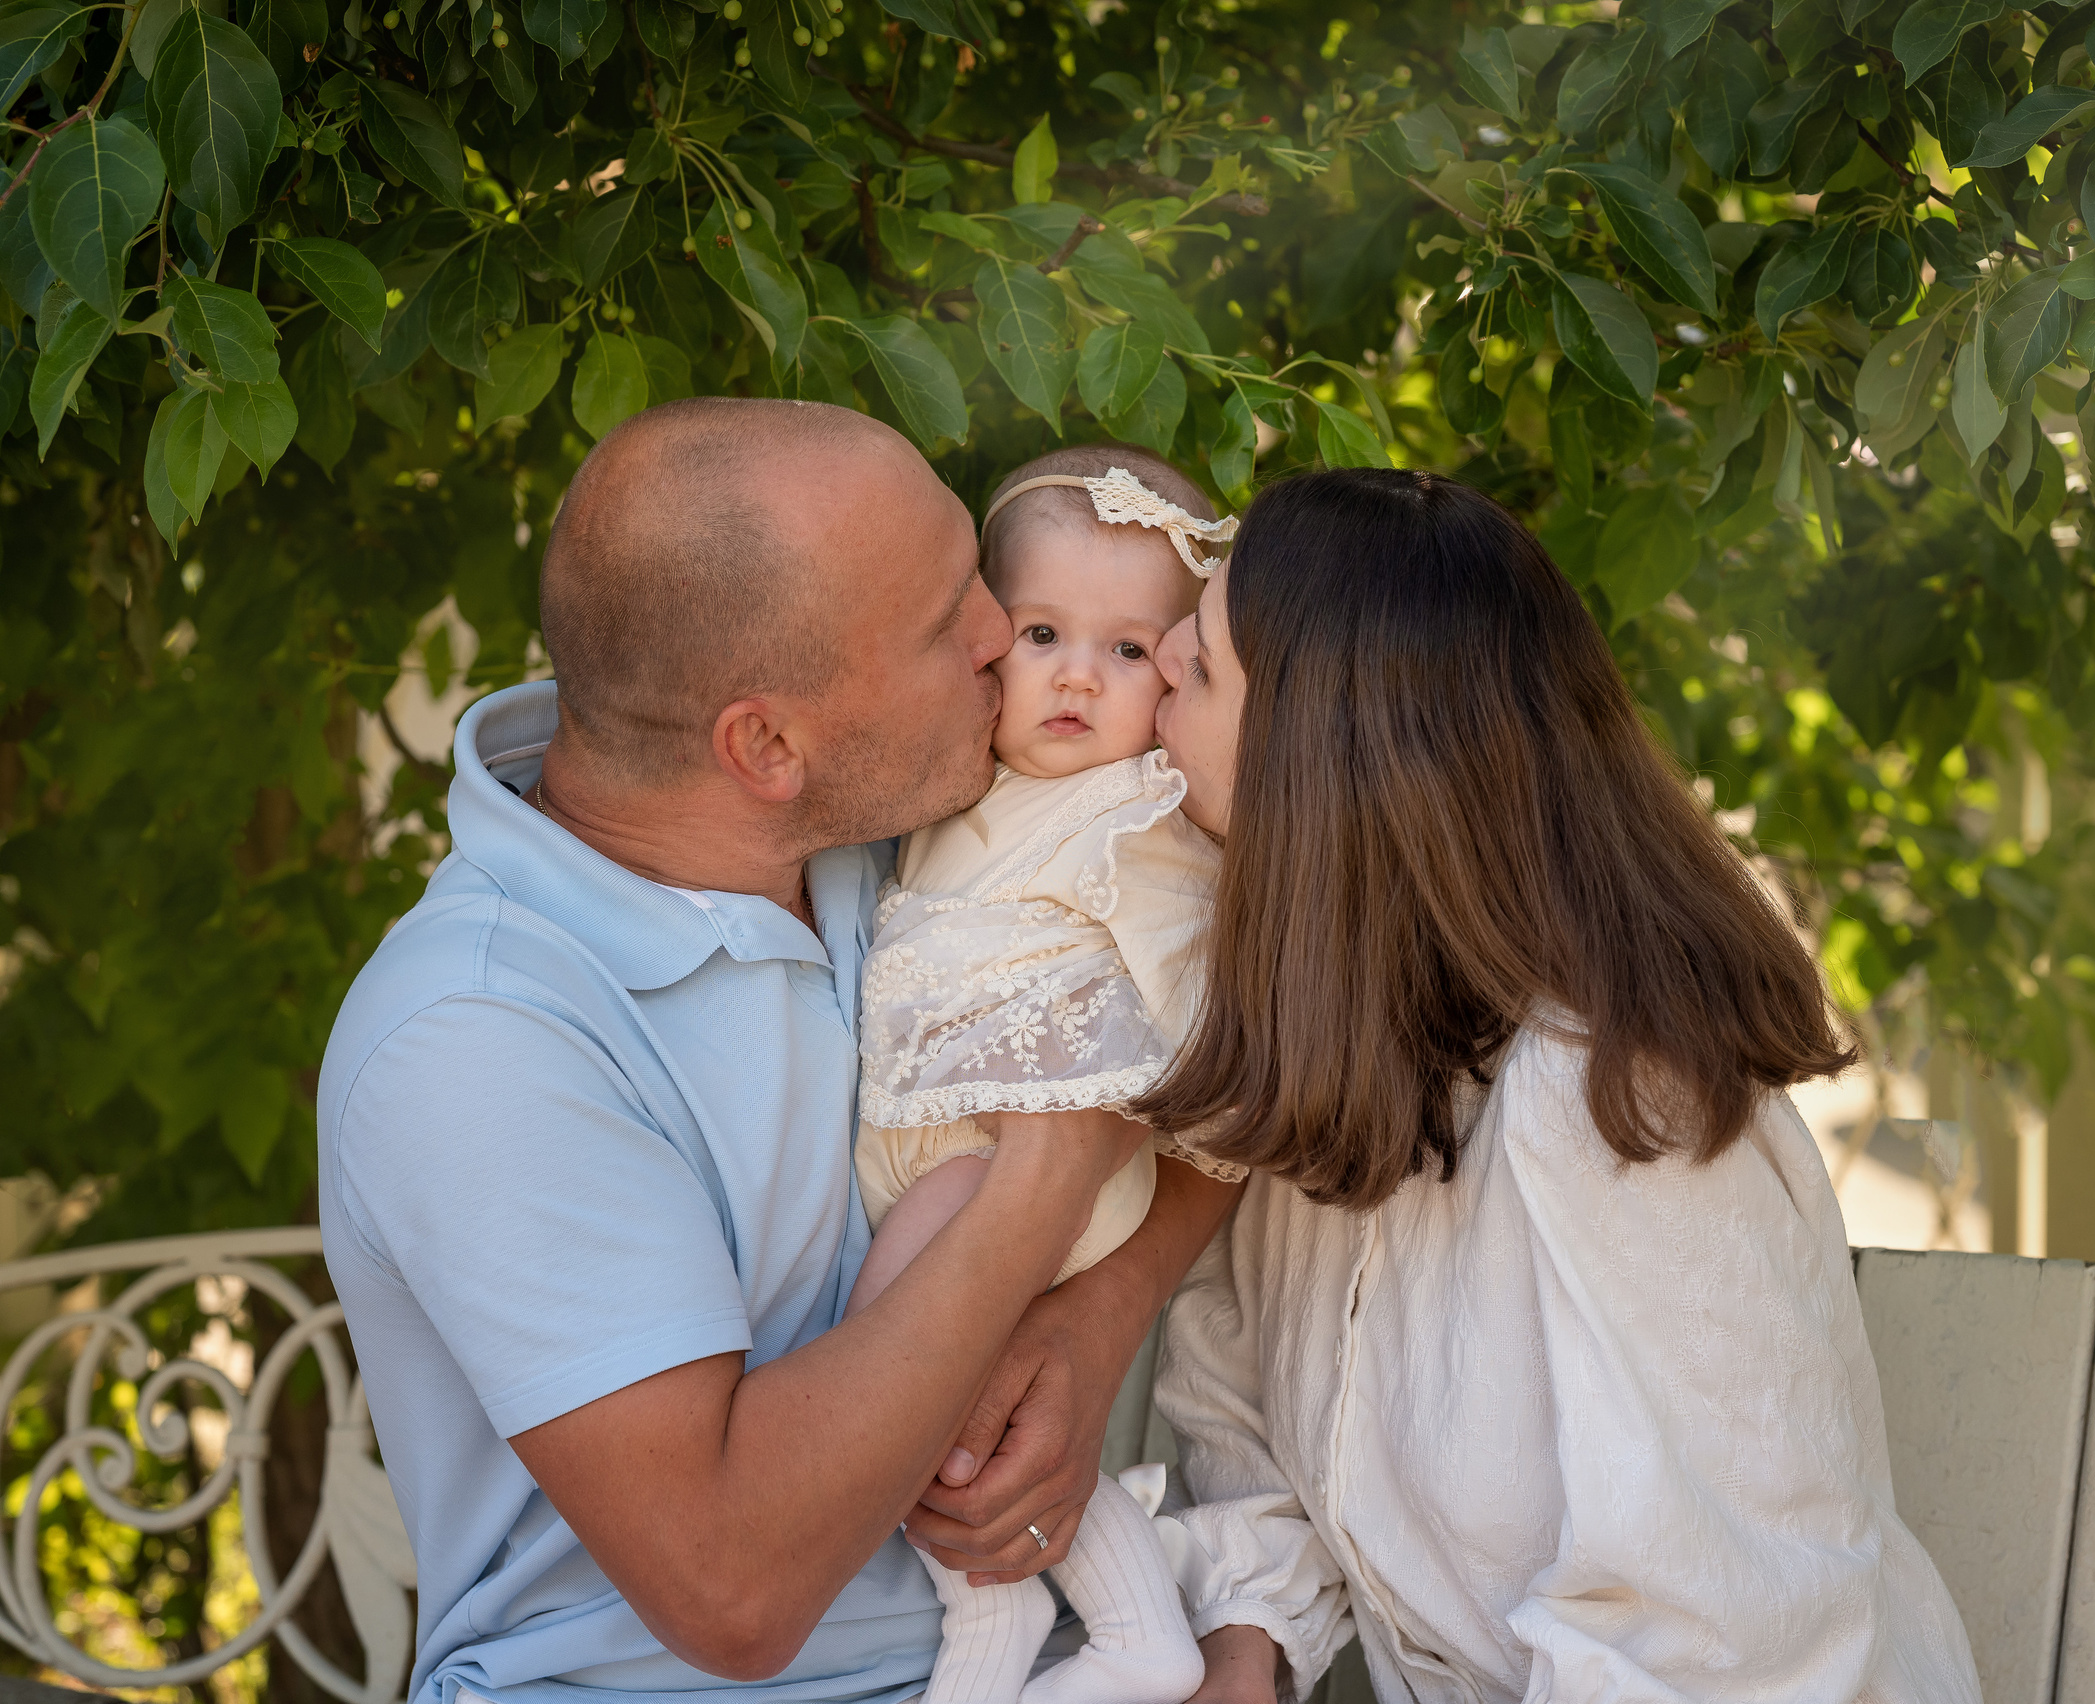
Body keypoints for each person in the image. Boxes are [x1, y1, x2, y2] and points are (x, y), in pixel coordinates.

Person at [315, 398, 1237, 1704]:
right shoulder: (478, 1041)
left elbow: (1230, 1056)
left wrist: (1101, 1313)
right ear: (766, 746)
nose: (1004, 637)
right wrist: (1048, 1181)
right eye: (945, 624)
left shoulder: (911, 838)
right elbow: (732, 1592)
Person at [1135, 468, 1985, 1704]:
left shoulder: (1619, 1105)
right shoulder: (1335, 1049)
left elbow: (1719, 1640)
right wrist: (1245, 1645)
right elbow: (1245, 1399)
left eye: (1201, 662)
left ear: (1325, 762)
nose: (1154, 655)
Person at [847, 445, 1243, 1704]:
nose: (1078, 673)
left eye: (1132, 651)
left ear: (1177, 678)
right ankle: (1134, 1633)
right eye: (1042, 632)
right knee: (994, 1391)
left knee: (890, 1362)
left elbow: (1189, 999)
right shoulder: (951, 790)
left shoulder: (1142, 813)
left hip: (1032, 1160)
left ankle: (985, 1634)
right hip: (961, 1152)